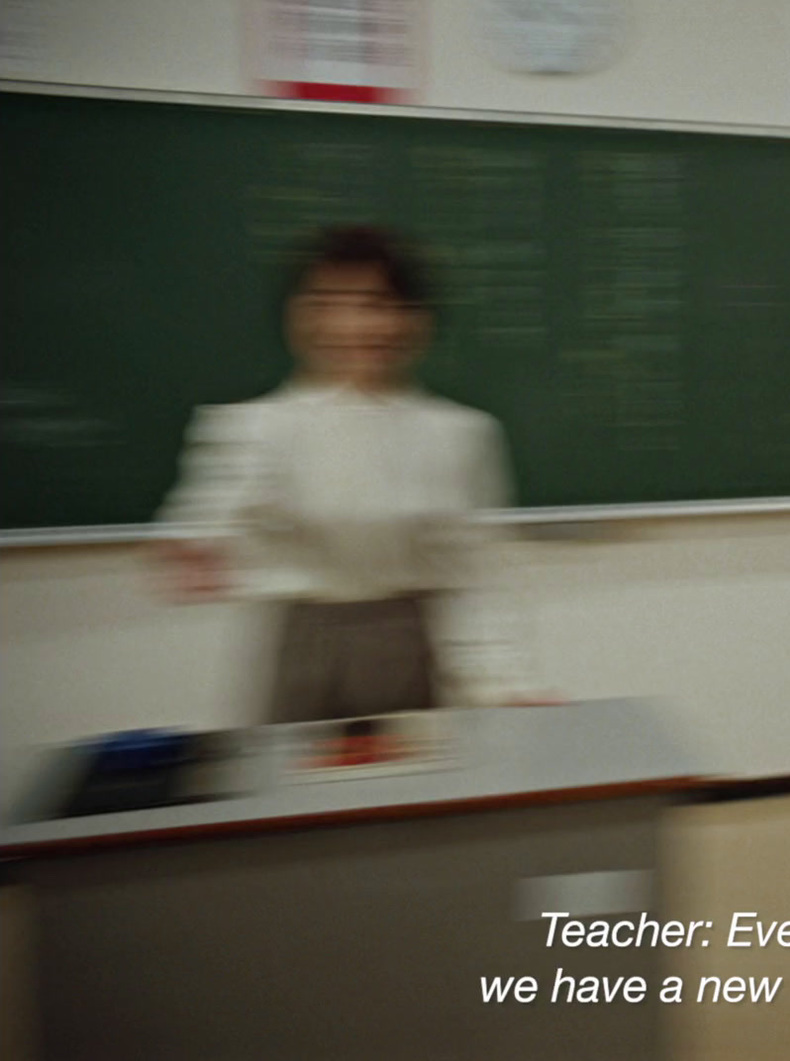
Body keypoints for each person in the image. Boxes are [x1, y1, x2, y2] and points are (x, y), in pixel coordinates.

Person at [153, 225, 558, 722]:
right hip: (304, 644)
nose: (352, 325)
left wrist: (508, 684)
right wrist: (194, 541)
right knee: (295, 792)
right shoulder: (254, 427)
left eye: (376, 304)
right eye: (327, 303)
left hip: (407, 642)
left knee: (408, 791)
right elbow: (212, 503)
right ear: (299, 317)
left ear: (415, 319)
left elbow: (477, 573)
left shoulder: (456, 433)